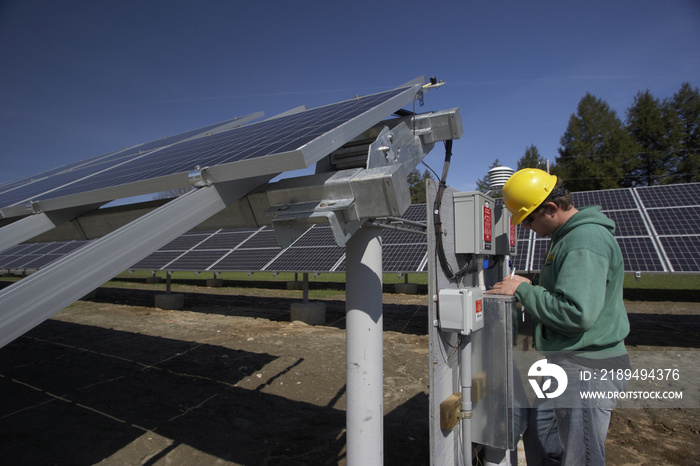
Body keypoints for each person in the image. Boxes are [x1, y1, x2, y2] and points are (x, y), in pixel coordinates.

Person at [487, 168, 630, 465]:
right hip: (571, 362)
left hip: (588, 368)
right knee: (556, 443)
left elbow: (577, 313)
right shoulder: (566, 237)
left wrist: (526, 293)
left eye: (528, 218)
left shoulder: (583, 240)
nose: (526, 227)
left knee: (582, 455)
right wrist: (531, 287)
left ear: (551, 208)